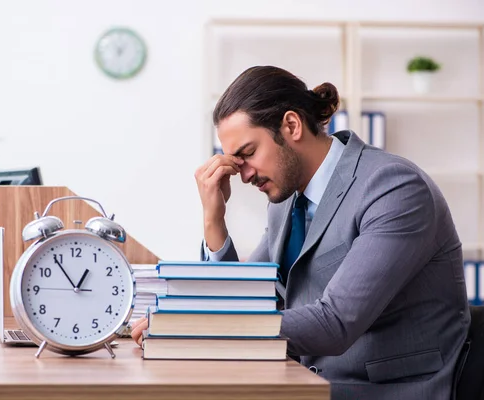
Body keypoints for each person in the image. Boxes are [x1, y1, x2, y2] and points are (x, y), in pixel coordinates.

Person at [131, 65, 470, 400]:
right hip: (300, 385)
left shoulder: (393, 187)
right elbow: (245, 299)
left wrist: (191, 326)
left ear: (291, 125)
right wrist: (214, 219)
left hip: (383, 391)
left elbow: (336, 323)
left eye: (248, 154)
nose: (244, 175)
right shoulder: (285, 201)